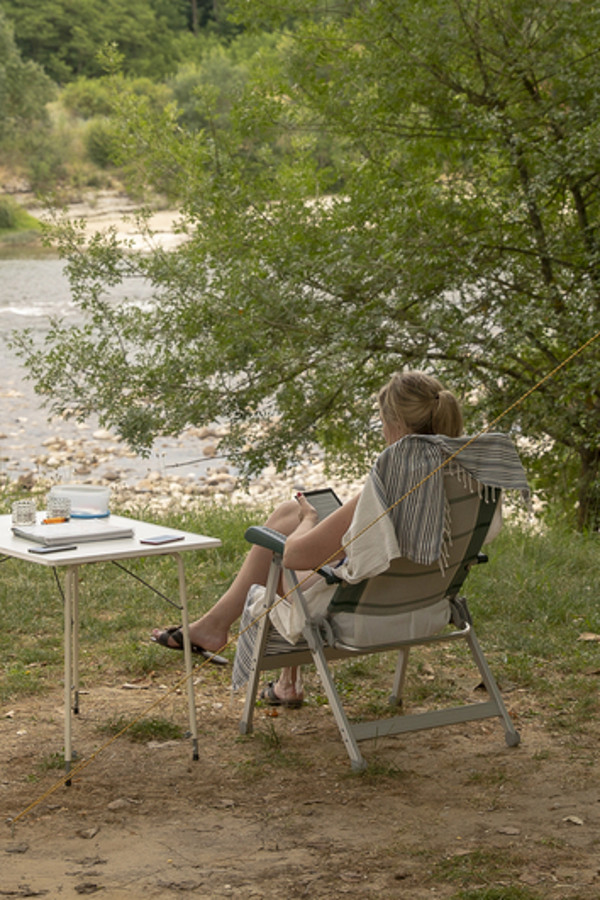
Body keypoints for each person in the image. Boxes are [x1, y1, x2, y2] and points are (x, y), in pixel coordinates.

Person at [152, 370, 468, 707]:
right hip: (425, 598)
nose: (381, 430)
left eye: (381, 421)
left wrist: (310, 520)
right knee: (288, 512)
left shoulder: (390, 483)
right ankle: (274, 674)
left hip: (364, 611)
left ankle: (215, 627)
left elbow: (294, 556)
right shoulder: (466, 475)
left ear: (398, 427)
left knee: (280, 540)